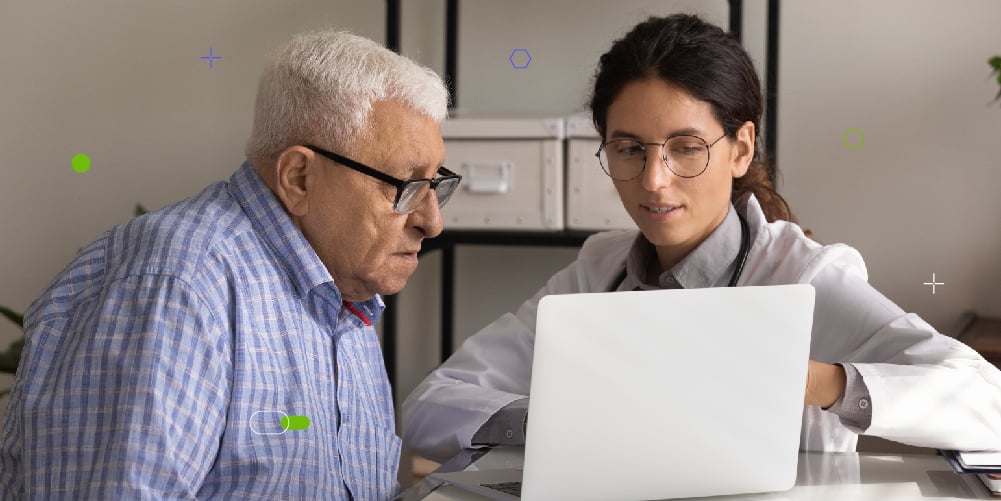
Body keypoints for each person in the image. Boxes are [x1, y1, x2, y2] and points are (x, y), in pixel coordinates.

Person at [402, 14, 1001, 463]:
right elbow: (431, 404)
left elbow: (987, 403)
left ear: (740, 149)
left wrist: (812, 380)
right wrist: (565, 419)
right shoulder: (600, 269)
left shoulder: (805, 276)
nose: (653, 180)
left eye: (687, 148)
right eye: (629, 149)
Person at [0, 30, 457, 499]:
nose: (432, 221)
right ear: (299, 177)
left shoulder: (343, 291)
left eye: (435, 184)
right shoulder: (177, 288)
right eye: (405, 185)